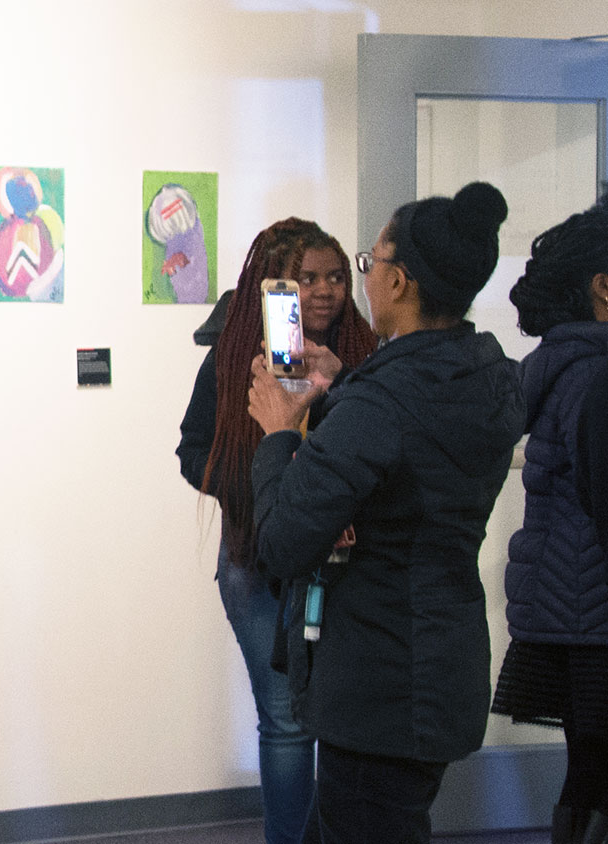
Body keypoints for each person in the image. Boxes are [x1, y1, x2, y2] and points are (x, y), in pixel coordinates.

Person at [246, 182, 524, 843]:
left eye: (365, 267)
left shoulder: (382, 404)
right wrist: (344, 386)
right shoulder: (489, 375)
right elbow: (416, 454)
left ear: (397, 282)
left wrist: (280, 431)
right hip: (436, 666)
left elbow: (282, 543)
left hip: (380, 687)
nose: (356, 284)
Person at [177, 218, 377, 844]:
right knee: (289, 722)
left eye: (337, 277)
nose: (325, 291)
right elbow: (193, 451)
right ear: (275, 288)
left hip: (348, 570)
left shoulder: (366, 358)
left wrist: (339, 382)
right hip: (257, 564)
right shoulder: (235, 358)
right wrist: (273, 490)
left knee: (346, 718)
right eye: (307, 279)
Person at [490, 200, 608, 844]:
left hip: (574, 615)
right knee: (594, 780)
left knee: (589, 775)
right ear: (603, 288)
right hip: (594, 621)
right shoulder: (596, 375)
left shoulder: (567, 368)